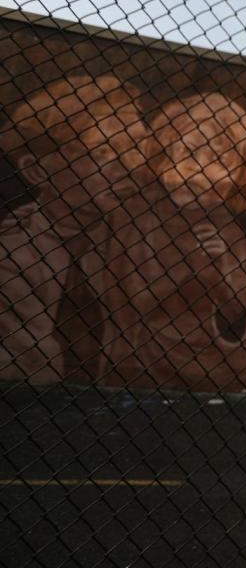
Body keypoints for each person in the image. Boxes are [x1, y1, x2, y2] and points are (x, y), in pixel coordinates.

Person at [103, 91, 246, 392]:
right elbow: (128, 299)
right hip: (142, 368)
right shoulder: (138, 216)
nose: (198, 170)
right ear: (165, 154)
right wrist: (194, 273)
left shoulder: (227, 229)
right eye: (190, 153)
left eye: (218, 161)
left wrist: (223, 274)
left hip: (216, 372)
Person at [0, 75, 148, 383]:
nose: (129, 167)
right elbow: (32, 371)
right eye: (104, 151)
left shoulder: (138, 243)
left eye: (137, 148)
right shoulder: (14, 257)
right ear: (37, 169)